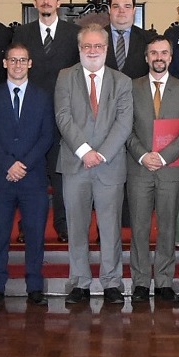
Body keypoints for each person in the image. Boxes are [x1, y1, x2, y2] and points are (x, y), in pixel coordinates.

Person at [54, 26, 134, 304]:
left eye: (98, 46)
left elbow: (124, 123)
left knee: (111, 228)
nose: (92, 51)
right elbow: (63, 117)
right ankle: (79, 282)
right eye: (87, 46)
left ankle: (112, 282)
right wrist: (85, 151)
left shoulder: (122, 81)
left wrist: (101, 154)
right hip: (76, 164)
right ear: (79, 49)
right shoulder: (66, 77)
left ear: (106, 49)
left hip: (109, 165)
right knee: (77, 226)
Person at [0, 41, 54, 305]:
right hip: (0, 177)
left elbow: (47, 137)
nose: (18, 65)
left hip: (32, 179)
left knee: (35, 235)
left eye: (23, 60)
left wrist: (24, 165)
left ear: (30, 64)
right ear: (5, 63)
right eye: (13, 60)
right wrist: (9, 164)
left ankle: (35, 286)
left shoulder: (43, 96)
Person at [125, 37, 179, 301]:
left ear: (170, 57)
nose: (159, 57)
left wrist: (164, 157)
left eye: (164, 53)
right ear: (146, 57)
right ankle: (141, 283)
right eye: (153, 52)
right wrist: (144, 155)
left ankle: (165, 281)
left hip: (171, 169)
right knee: (140, 227)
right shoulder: (131, 87)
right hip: (139, 168)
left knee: (168, 227)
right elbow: (125, 127)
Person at [13, 0, 80, 242]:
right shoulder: (22, 33)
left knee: (61, 175)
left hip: (64, 116)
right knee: (30, 175)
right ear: (35, 2)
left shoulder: (73, 33)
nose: (46, 1)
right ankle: (27, 227)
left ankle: (64, 227)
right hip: (30, 116)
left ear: (59, 2)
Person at [105, 0, 155, 78]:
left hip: (137, 91)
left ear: (134, 10)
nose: (121, 11)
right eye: (116, 6)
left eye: (127, 6)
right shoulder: (96, 38)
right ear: (109, 10)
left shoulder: (149, 39)